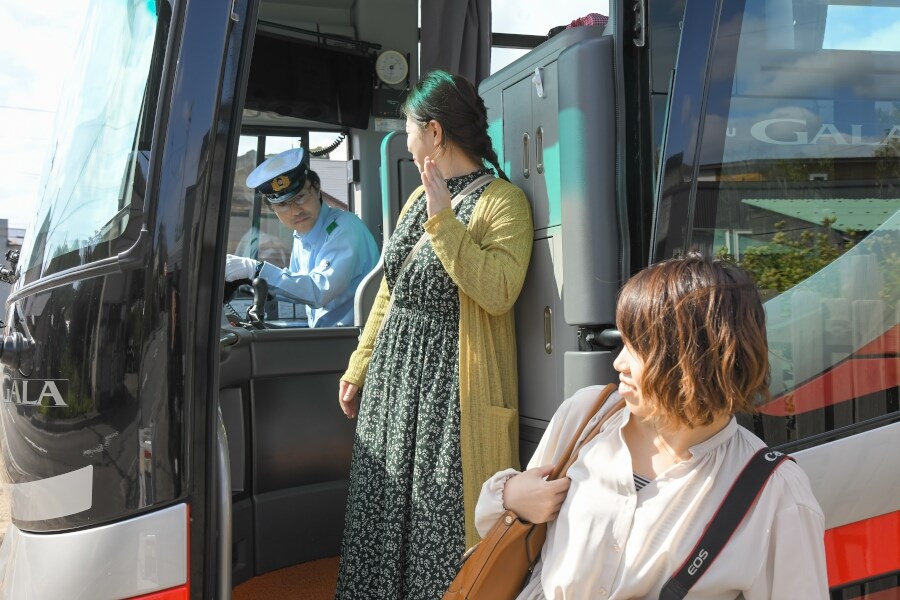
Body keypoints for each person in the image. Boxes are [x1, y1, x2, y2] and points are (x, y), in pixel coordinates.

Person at [475, 254, 829, 599]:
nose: (619, 362)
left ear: (694, 360)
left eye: (638, 347)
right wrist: (511, 497)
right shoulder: (588, 416)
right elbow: (496, 530)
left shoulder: (777, 492)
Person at [335, 70, 534, 599]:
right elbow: (390, 291)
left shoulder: (503, 202)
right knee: (384, 517)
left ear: (436, 133)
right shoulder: (414, 202)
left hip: (450, 403)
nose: (406, 140)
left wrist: (445, 221)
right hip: (394, 392)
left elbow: (498, 290)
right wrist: (360, 364)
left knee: (439, 528)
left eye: (410, 129)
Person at [224, 148, 379, 327]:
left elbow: (317, 292)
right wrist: (257, 284)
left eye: (300, 197)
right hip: (329, 337)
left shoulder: (344, 229)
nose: (296, 211)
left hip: (353, 342)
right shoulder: (303, 236)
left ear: (317, 188)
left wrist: (257, 270)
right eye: (282, 205)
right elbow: (299, 291)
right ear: (272, 209)